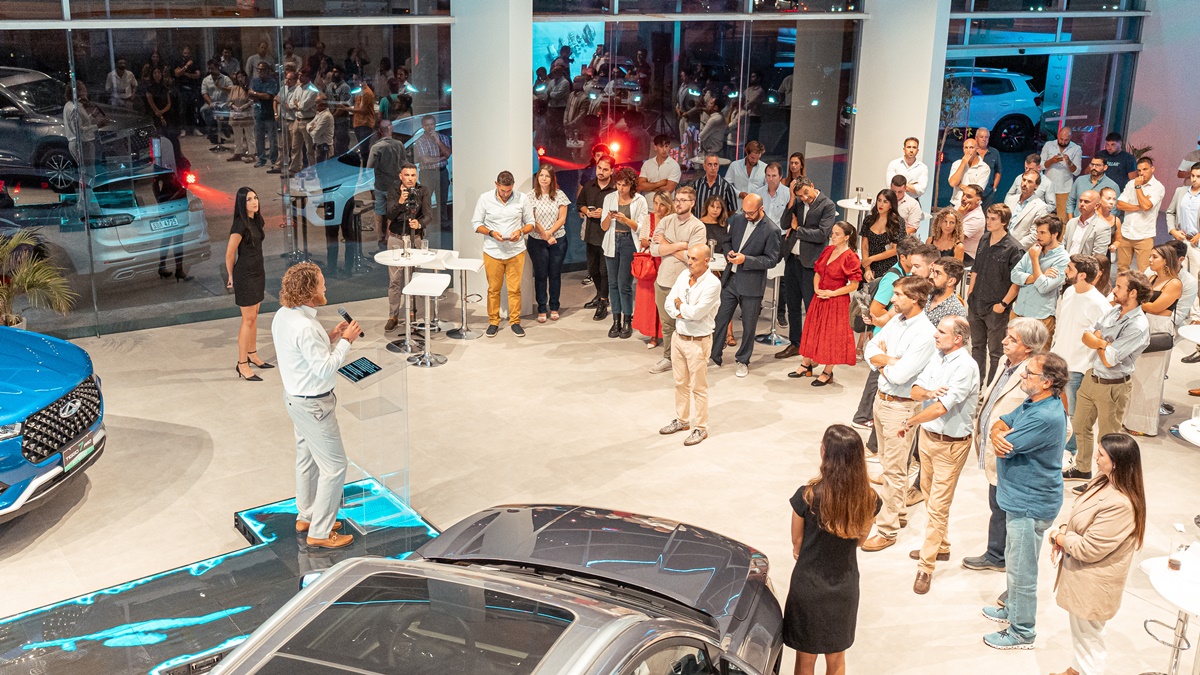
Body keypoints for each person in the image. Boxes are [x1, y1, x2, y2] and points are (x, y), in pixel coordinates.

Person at [982, 352, 1070, 650]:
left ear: (1047, 382)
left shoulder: (1045, 416)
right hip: (1019, 498)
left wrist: (999, 438)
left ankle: (1022, 632)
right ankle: (1012, 609)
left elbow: (1006, 446)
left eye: (1029, 373)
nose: (1022, 375)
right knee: (1015, 560)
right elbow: (1001, 422)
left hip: (1030, 502)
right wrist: (997, 433)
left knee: (1022, 570)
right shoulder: (1035, 403)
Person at [272, 262, 360, 549]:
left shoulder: (285, 315)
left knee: (307, 459)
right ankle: (320, 532)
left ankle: (307, 516)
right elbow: (324, 369)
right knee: (334, 467)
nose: (326, 287)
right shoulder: (306, 327)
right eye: (321, 284)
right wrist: (345, 342)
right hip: (314, 406)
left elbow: (302, 354)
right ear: (310, 292)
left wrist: (331, 337)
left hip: (296, 400)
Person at [783, 425, 880, 675]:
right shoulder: (869, 499)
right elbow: (860, 540)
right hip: (844, 586)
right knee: (837, 660)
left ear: (825, 453)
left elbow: (797, 543)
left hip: (808, 586)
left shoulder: (807, 496)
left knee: (805, 661)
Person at [1050, 433, 1147, 675]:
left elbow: (1089, 548)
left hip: (1094, 582)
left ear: (1116, 462)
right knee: (1083, 633)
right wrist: (1065, 530)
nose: (1095, 456)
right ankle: (1076, 670)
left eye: (1101, 454)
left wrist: (1059, 538)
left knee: (1090, 640)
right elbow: (1078, 516)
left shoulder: (1121, 504)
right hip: (1083, 577)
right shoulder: (1102, 481)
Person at [963, 318, 1048, 573]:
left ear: (1029, 347)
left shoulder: (1036, 376)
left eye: (1012, 339)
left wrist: (1018, 442)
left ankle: (1000, 557)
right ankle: (998, 553)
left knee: (1005, 508)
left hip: (1013, 455)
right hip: (994, 448)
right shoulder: (1004, 361)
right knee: (996, 502)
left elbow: (1051, 420)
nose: (1003, 341)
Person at [902, 315, 979, 593]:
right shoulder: (938, 356)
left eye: (941, 332)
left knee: (938, 506)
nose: (935, 335)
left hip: (951, 445)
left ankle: (926, 566)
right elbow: (915, 390)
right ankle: (941, 546)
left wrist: (910, 422)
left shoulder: (966, 367)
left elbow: (940, 408)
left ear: (957, 338)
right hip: (928, 438)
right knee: (928, 494)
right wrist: (929, 392)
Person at [861, 276, 938, 552]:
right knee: (888, 463)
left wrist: (884, 363)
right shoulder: (897, 321)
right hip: (882, 401)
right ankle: (899, 512)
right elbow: (870, 348)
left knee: (893, 471)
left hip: (901, 406)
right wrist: (889, 361)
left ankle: (887, 529)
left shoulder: (925, 333)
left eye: (898, 294)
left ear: (914, 299)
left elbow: (900, 375)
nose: (892, 299)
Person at [1064, 271, 1151, 488]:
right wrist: (1103, 343)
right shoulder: (1114, 311)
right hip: (1092, 378)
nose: (1113, 289)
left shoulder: (1138, 326)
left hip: (1113, 387)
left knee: (1108, 440)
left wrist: (1099, 341)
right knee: (1080, 425)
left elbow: (1110, 360)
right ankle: (1083, 469)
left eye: (1119, 287)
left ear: (1133, 293)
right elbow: (1086, 336)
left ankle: (1103, 482)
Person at [709, 194, 783, 377]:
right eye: (745, 211)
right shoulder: (738, 219)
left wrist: (746, 260)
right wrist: (729, 253)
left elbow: (772, 260)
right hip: (731, 280)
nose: (747, 215)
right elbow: (727, 241)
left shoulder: (771, 230)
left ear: (761, 209)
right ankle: (714, 357)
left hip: (752, 284)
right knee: (719, 320)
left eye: (751, 213)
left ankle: (743, 360)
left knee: (749, 327)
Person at [660, 244, 723, 447]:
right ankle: (682, 420)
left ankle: (701, 428)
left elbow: (697, 314)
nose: (689, 262)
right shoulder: (683, 276)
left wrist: (680, 306)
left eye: (694, 259)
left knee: (698, 387)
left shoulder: (713, 284)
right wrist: (681, 310)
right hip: (678, 338)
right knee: (680, 383)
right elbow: (668, 303)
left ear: (707, 261)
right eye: (689, 258)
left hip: (698, 342)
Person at [1051, 256, 1110, 459]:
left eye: (1069, 268)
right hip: (1059, 360)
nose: (1065, 271)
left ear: (1082, 275)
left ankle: (1071, 450)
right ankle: (1060, 443)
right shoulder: (1068, 292)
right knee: (1058, 407)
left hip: (1078, 366)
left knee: (1076, 413)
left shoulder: (1099, 303)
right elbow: (1061, 324)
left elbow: (1103, 337)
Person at [790, 221, 861, 386]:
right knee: (812, 330)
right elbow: (818, 272)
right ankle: (805, 364)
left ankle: (827, 372)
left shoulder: (850, 257)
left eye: (837, 234)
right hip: (820, 297)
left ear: (847, 237)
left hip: (837, 300)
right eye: (833, 233)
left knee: (832, 336)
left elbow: (854, 285)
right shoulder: (828, 250)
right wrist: (816, 288)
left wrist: (832, 293)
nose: (833, 236)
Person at [1122, 245, 1180, 437]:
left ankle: (1144, 424)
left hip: (1159, 328)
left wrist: (1136, 302)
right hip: (1144, 324)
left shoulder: (1174, 283)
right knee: (1137, 375)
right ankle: (1130, 418)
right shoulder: (1153, 278)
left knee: (1151, 378)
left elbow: (1156, 307)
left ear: (1166, 260)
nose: (1150, 260)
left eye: (1154, 257)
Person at [776, 178, 837, 359]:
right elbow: (784, 224)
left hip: (811, 264)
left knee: (811, 307)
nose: (804, 198)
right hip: (792, 260)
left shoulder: (827, 205)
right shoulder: (797, 202)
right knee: (792, 305)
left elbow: (822, 235)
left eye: (806, 193)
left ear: (812, 186)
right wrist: (791, 200)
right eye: (800, 195)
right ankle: (795, 343)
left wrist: (798, 229)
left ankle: (813, 346)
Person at [473, 171, 536, 338]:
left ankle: (515, 322)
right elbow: (476, 224)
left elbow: (531, 223)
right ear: (496, 185)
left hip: (516, 251)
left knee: (514, 289)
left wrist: (520, 232)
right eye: (502, 190)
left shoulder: (522, 199)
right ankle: (493, 322)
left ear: (513, 186)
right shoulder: (485, 198)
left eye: (509, 190)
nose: (506, 194)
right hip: (492, 251)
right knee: (493, 289)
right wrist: (491, 232)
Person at [650, 187, 706, 373]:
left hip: (686, 285)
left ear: (692, 203)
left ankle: (687, 360)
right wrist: (681, 245)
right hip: (664, 280)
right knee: (667, 325)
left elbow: (693, 257)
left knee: (686, 324)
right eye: (677, 200)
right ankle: (668, 357)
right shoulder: (666, 221)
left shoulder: (698, 226)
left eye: (683, 200)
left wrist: (666, 244)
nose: (678, 203)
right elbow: (654, 250)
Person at [967, 203, 1022, 382]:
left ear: (1004, 222)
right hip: (976, 302)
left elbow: (1017, 281)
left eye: (993, 219)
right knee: (977, 347)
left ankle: (991, 389)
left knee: (996, 352)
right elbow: (976, 267)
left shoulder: (1013, 248)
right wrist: (970, 292)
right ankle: (975, 385)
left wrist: (1003, 304)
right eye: (987, 218)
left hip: (996, 307)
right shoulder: (984, 239)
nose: (988, 222)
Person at [225, 187, 271, 382]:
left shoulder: (256, 221)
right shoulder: (240, 225)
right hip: (245, 275)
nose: (254, 202)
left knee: (254, 315)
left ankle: (252, 354)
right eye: (249, 199)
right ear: (241, 204)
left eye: (255, 198)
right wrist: (231, 276)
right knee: (248, 319)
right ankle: (242, 364)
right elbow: (230, 254)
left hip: (258, 272)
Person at [382, 163, 433, 329]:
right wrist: (400, 201)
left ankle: (412, 312)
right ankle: (393, 315)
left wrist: (419, 224)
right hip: (396, 239)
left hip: (414, 238)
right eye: (407, 175)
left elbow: (428, 215)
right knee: (395, 280)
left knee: (412, 278)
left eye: (413, 175)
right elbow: (389, 214)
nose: (410, 178)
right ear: (400, 176)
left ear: (416, 176)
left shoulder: (423, 191)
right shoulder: (394, 191)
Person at [602, 167, 649, 340]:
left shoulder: (640, 200)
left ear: (632, 185)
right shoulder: (609, 198)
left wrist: (626, 220)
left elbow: (641, 228)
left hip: (629, 241)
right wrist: (609, 217)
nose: (621, 188)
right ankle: (616, 321)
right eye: (619, 184)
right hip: (611, 241)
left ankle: (627, 319)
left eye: (625, 185)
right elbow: (603, 227)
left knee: (624, 283)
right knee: (613, 283)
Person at [1010, 215, 1069, 345]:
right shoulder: (1034, 250)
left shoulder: (1063, 258)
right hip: (1019, 313)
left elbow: (1043, 287)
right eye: (1037, 232)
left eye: (1042, 233)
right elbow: (1014, 275)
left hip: (1041, 318)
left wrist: (1034, 259)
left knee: (1039, 357)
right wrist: (1039, 275)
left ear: (1055, 234)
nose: (1038, 236)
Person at [527, 165, 571, 323]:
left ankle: (554, 306)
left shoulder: (560, 195)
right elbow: (531, 219)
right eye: (541, 175)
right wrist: (545, 235)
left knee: (555, 274)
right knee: (540, 275)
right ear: (537, 177)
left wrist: (550, 233)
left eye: (547, 176)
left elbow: (562, 219)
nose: (544, 179)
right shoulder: (530, 196)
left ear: (552, 178)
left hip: (558, 240)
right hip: (537, 241)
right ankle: (541, 308)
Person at [579, 155, 616, 320]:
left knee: (604, 270)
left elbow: (620, 210)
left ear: (612, 171)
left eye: (605, 169)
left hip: (608, 234)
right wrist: (587, 211)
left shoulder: (615, 189)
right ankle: (600, 294)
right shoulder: (589, 185)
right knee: (592, 269)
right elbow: (580, 203)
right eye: (599, 168)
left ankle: (603, 301)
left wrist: (604, 213)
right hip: (591, 233)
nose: (601, 172)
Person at [1114, 156, 1166, 273]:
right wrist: (1139, 207)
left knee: (1145, 270)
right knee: (1122, 268)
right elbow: (1120, 204)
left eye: (1145, 169)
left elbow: (1147, 206)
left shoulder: (1158, 187)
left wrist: (1138, 187)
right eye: (1139, 170)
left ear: (1152, 169)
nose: (1141, 173)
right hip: (1126, 232)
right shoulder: (1130, 183)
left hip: (1144, 235)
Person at [366, 120, 407, 254]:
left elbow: (369, 168)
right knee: (392, 214)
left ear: (380, 131)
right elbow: (404, 164)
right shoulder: (399, 145)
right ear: (391, 128)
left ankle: (380, 240)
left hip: (380, 185)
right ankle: (390, 241)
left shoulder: (376, 147)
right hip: (395, 185)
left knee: (379, 213)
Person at [413, 115, 452, 224]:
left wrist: (438, 141)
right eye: (427, 125)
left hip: (442, 172)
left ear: (435, 125)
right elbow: (426, 160)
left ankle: (443, 223)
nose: (430, 127)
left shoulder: (443, 138)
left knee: (442, 200)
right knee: (425, 200)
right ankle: (425, 224)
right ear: (423, 126)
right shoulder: (420, 141)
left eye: (432, 124)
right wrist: (442, 158)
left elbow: (448, 154)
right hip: (428, 173)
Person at [859, 189, 903, 281]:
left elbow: (894, 250)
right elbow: (864, 246)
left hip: (887, 265)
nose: (881, 204)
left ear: (891, 205)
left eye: (885, 202)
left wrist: (871, 259)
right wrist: (867, 268)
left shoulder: (897, 222)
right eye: (879, 200)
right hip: (868, 264)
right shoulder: (869, 220)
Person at [1042, 127, 1083, 222]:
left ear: (1071, 138)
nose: (1063, 142)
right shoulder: (1049, 145)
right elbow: (1041, 165)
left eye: (1066, 140)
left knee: (1063, 219)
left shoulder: (1076, 149)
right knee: (1044, 216)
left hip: (1064, 189)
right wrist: (1051, 161)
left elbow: (1077, 171)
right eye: (1061, 139)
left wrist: (1069, 162)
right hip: (1047, 187)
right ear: (1058, 135)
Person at [1166, 162, 1200, 274]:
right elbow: (1170, 212)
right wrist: (1173, 230)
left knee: (1196, 278)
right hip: (1181, 240)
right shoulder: (1180, 191)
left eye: (1198, 176)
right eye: (1192, 175)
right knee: (1177, 274)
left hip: (1197, 244)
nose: (1194, 179)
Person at [1004, 170, 1051, 249]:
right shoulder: (1010, 200)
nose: (1025, 184)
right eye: (1024, 180)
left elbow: (1035, 234)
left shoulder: (1041, 207)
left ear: (1036, 186)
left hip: (1019, 249)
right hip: (1001, 244)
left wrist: (1014, 247)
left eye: (1029, 181)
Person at [1062, 190, 1112, 257]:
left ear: (1096, 206)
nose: (1082, 204)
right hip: (1066, 262)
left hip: (1086, 263)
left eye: (1086, 202)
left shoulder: (1103, 227)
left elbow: (1098, 257)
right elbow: (1063, 247)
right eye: (1080, 201)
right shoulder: (1071, 222)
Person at [287, 69, 319, 172]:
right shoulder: (298, 88)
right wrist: (296, 105)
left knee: (310, 149)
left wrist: (297, 104)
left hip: (308, 121)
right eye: (299, 75)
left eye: (302, 75)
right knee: (295, 147)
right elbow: (290, 103)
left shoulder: (313, 90)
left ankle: (312, 170)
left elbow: (304, 106)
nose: (299, 77)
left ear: (308, 77)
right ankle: (294, 168)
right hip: (297, 120)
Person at [249, 62, 279, 168]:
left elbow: (268, 96)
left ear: (267, 71)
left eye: (262, 70)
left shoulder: (272, 82)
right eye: (259, 70)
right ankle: (261, 159)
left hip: (269, 113)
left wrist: (256, 94)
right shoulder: (254, 81)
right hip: (258, 113)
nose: (260, 72)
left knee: (272, 139)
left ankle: (274, 159)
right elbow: (249, 94)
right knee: (259, 138)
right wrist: (258, 95)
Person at [690, 152, 739, 217]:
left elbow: (732, 208)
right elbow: (691, 205)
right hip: (700, 222)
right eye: (709, 165)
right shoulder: (696, 185)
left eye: (715, 165)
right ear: (704, 166)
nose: (713, 168)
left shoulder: (726, 187)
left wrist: (721, 218)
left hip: (718, 223)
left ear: (718, 166)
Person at [948, 137, 991, 208]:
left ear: (977, 149)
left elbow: (977, 192)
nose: (968, 151)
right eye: (966, 147)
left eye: (971, 147)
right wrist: (963, 164)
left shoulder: (984, 168)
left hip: (972, 206)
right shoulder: (957, 164)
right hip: (955, 203)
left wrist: (960, 185)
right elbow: (953, 183)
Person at [271, 68, 298, 174]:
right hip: (284, 120)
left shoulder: (297, 90)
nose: (287, 81)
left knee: (294, 146)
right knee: (282, 145)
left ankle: (294, 167)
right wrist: (275, 113)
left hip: (293, 120)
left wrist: (281, 102)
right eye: (286, 78)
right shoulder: (283, 88)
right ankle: (279, 165)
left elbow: (290, 107)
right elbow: (275, 100)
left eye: (290, 79)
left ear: (295, 80)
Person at [200, 60, 232, 149]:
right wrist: (210, 103)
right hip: (211, 103)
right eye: (209, 69)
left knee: (225, 110)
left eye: (212, 68)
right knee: (203, 110)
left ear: (218, 68)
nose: (210, 71)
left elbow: (232, 90)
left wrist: (221, 87)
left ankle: (224, 125)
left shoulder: (226, 79)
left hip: (224, 103)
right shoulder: (206, 80)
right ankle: (213, 128)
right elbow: (204, 93)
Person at [637, 135, 681, 200]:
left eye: (666, 146)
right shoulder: (647, 164)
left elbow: (669, 189)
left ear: (669, 147)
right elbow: (640, 186)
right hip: (648, 205)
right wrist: (659, 184)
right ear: (655, 147)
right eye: (661, 146)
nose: (664, 150)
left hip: (666, 205)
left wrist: (649, 187)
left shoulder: (674, 165)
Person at [925, 256, 966, 324]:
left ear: (951, 281)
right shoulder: (924, 298)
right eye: (932, 271)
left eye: (938, 273)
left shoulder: (955, 312)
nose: (931, 276)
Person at [172, 47, 203, 135]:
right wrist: (186, 66)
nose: (186, 55)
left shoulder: (194, 62)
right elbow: (177, 74)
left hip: (192, 88)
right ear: (182, 53)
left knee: (194, 109)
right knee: (182, 109)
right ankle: (183, 129)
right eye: (185, 53)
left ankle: (195, 128)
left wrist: (185, 73)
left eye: (188, 53)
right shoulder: (178, 62)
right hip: (182, 88)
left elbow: (197, 75)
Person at [226, 71, 255, 162]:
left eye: (242, 77)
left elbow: (251, 100)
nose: (240, 79)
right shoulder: (234, 88)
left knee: (249, 135)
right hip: (236, 114)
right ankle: (237, 153)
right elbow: (229, 100)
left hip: (246, 113)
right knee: (237, 135)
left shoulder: (249, 88)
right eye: (238, 77)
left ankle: (252, 153)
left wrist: (243, 107)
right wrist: (234, 106)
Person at [323, 66, 352, 157]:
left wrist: (332, 116)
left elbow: (342, 107)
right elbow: (326, 100)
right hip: (331, 121)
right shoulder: (330, 86)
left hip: (341, 121)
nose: (333, 74)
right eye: (333, 72)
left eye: (336, 72)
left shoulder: (345, 87)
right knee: (331, 145)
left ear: (341, 74)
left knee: (341, 146)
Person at [755, 162, 793, 230]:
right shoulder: (758, 193)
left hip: (781, 233)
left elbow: (792, 216)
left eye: (774, 176)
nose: (770, 179)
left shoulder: (788, 193)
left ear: (780, 176)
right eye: (768, 175)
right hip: (762, 232)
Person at [350, 78, 377, 165]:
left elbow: (362, 110)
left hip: (365, 124)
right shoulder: (359, 92)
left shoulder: (367, 93)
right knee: (362, 149)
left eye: (355, 79)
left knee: (364, 150)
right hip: (358, 123)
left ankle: (366, 168)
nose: (354, 81)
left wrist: (346, 109)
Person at [957, 184, 986, 261]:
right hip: (952, 250)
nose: (963, 198)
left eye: (968, 196)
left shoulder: (977, 218)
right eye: (963, 194)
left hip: (966, 256)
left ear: (978, 200)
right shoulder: (961, 207)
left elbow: (957, 239)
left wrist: (958, 216)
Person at [975, 128, 1004, 205]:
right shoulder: (972, 152)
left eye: (986, 137)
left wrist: (994, 188)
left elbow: (998, 171)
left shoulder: (994, 152)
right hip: (972, 193)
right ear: (976, 138)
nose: (984, 139)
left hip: (988, 193)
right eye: (981, 137)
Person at [307, 95, 334, 164]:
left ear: (323, 104)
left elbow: (315, 134)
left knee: (325, 169)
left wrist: (311, 129)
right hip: (319, 147)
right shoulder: (319, 114)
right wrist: (310, 128)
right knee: (319, 169)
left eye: (317, 102)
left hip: (325, 148)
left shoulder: (326, 116)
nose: (315, 105)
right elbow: (308, 125)